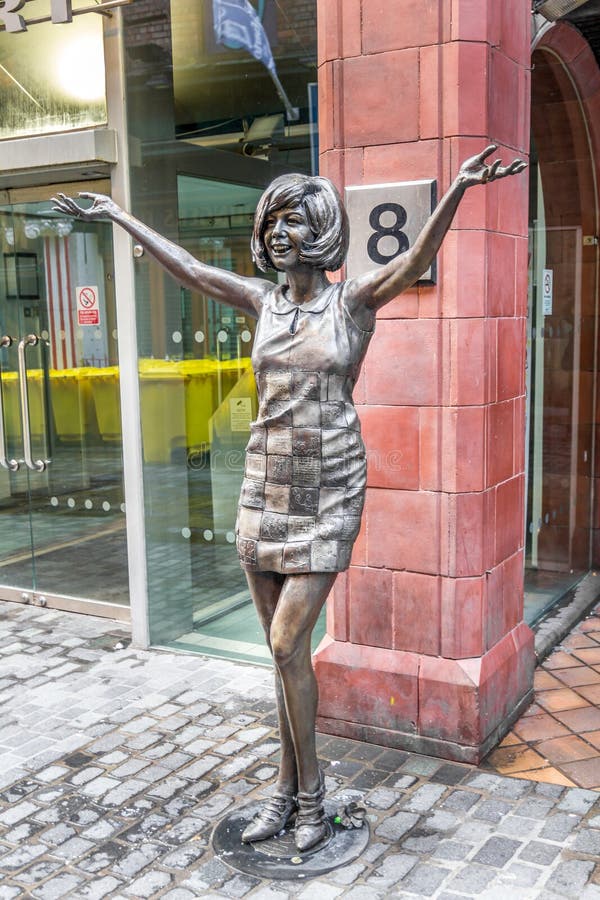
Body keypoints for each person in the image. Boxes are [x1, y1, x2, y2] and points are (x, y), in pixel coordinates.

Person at [52, 145, 525, 852]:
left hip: (330, 483)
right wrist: (119, 214)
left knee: (284, 641)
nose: (279, 233)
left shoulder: (353, 301)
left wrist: (456, 189)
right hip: (265, 482)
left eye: (295, 221)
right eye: (272, 221)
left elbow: (411, 258)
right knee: (285, 659)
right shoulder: (260, 300)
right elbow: (189, 267)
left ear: (324, 231)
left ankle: (311, 802)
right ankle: (288, 796)